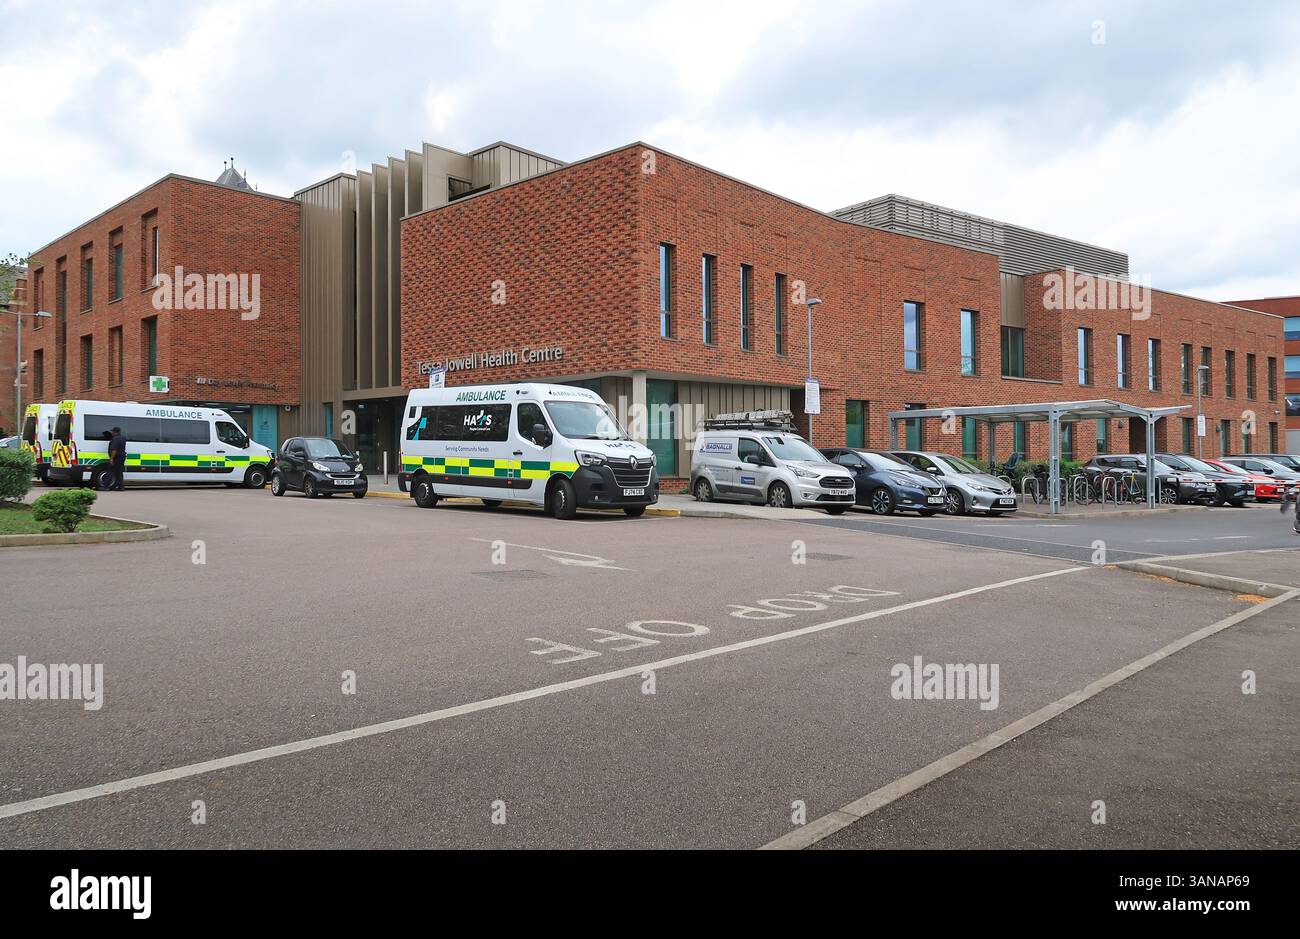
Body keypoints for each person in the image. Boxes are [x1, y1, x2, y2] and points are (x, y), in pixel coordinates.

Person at [107, 426, 127, 491]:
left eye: (112, 431)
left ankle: (109, 486)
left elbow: (114, 450)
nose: (111, 433)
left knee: (112, 472)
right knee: (119, 472)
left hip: (117, 457)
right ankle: (121, 487)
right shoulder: (123, 438)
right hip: (122, 457)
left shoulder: (115, 439)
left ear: (115, 432)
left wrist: (111, 459)